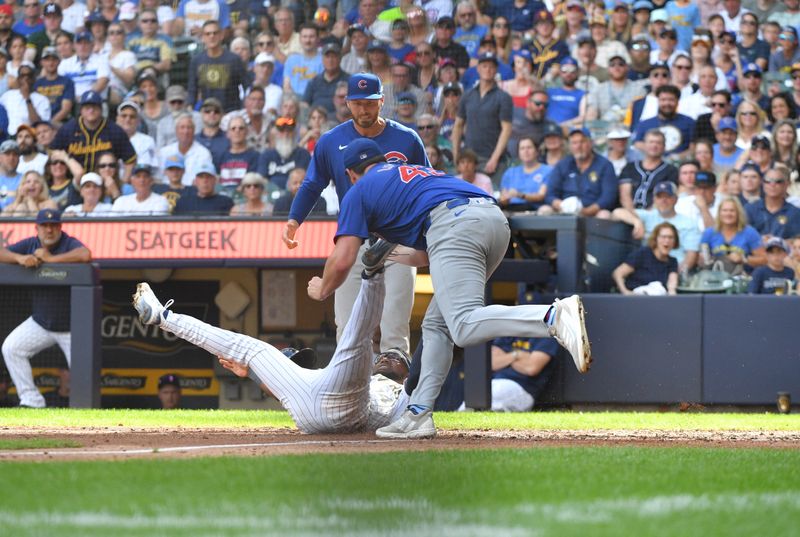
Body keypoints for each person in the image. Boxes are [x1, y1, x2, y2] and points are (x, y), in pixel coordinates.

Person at [305, 138, 590, 438]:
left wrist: (323, 288)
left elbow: (343, 258)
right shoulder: (414, 174)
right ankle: (418, 413)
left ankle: (552, 317)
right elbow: (428, 254)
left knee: (464, 324)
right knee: (437, 326)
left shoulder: (359, 190)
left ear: (351, 173)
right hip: (493, 222)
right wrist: (389, 252)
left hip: (455, 225)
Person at [132, 271, 413, 432]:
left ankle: (163, 317)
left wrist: (251, 374)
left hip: (320, 412)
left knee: (246, 346)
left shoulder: (400, 391)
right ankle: (373, 274)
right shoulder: (308, 380)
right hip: (347, 407)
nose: (385, 360)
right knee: (356, 337)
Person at [283, 73, 429, 356]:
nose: (365, 109)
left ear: (382, 102)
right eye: (359, 103)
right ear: (348, 103)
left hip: (398, 238)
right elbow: (314, 183)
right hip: (355, 237)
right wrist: (294, 220)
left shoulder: (407, 138)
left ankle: (392, 388)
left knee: (394, 325)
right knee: (347, 325)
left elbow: (425, 183)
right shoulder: (330, 140)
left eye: (371, 103)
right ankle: (351, 386)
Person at [0, 208, 91, 408]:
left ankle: (85, 407)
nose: (49, 230)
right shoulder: (30, 244)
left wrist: (51, 260)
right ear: (37, 228)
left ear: (60, 227)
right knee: (11, 348)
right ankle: (31, 400)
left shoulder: (67, 242)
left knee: (83, 371)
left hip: (71, 327)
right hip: (41, 322)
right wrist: (20, 258)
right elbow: (1, 251)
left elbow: (85, 254)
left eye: (53, 225)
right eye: (44, 226)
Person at [613, 181, 700, 272]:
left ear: (675, 199)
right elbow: (617, 213)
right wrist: (636, 221)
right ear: (654, 199)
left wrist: (677, 275)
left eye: (667, 196)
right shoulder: (648, 216)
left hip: (673, 269)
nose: (663, 200)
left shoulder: (689, 223)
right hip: (647, 269)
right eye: (659, 197)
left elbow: (691, 255)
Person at [50, 90, 136, 180]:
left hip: (105, 183)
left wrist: (124, 182)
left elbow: (130, 159)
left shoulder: (114, 130)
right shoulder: (68, 129)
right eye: (87, 107)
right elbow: (52, 152)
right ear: (81, 110)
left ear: (101, 109)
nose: (91, 110)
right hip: (74, 181)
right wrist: (66, 160)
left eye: (94, 107)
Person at [541, 128, 618, 217]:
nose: (578, 146)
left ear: (590, 143)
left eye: (582, 142)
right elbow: (550, 194)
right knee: (544, 210)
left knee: (604, 215)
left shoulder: (605, 165)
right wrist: (561, 205)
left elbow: (608, 197)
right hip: (564, 210)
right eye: (574, 143)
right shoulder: (562, 165)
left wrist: (587, 211)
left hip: (593, 211)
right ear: (570, 146)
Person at [187, 21, 245, 113]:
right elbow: (192, 89)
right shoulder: (196, 61)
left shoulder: (234, 59)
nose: (212, 36)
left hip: (231, 113)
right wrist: (190, 108)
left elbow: (246, 86)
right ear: (202, 38)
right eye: (208, 34)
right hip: (208, 113)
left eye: (215, 33)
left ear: (221, 35)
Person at [699, 196, 766, 272]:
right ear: (719, 213)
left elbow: (764, 259)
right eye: (725, 210)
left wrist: (744, 259)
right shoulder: (709, 233)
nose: (728, 214)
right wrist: (701, 260)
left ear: (738, 213)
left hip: (742, 277)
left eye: (732, 211)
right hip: (715, 277)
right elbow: (702, 257)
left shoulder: (749, 232)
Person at [612, 221, 680, 295]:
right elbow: (618, 273)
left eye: (671, 237)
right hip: (635, 299)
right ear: (655, 239)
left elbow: (672, 285)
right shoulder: (643, 253)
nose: (667, 241)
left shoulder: (672, 261)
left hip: (657, 301)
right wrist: (625, 292)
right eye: (663, 237)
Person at [618, 129, 678, 211]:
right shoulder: (630, 167)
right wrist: (634, 216)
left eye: (658, 143)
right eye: (651, 142)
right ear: (644, 145)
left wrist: (648, 216)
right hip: (628, 214)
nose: (654, 145)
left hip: (655, 214)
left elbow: (665, 197)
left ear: (664, 147)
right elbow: (625, 195)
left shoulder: (671, 170)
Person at [156, 113, 214, 186]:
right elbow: (158, 178)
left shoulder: (203, 153)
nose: (186, 132)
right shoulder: (164, 152)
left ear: (194, 131)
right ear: (176, 131)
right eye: (182, 127)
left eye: (189, 128)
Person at [498, 136, 551, 212]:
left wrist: (520, 195)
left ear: (537, 151)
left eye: (529, 147)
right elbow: (504, 196)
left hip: (535, 209)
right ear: (518, 153)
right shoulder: (510, 172)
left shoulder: (547, 170)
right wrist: (504, 199)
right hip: (511, 209)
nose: (526, 151)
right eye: (522, 148)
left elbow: (541, 196)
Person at [745, 166, 800, 240]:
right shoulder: (749, 209)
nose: (772, 184)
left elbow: (797, 240)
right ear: (762, 184)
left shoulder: (795, 213)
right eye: (768, 181)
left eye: (778, 181)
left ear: (786, 185)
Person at [0, 139, 21, 209]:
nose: (11, 158)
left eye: (15, 154)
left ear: (19, 159)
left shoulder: (26, 180)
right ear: (0, 157)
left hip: (17, 218)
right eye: (7, 154)